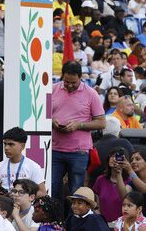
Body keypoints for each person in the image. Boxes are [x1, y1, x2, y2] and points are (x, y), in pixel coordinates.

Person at [50, 62, 106, 204]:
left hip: (79, 151)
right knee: (52, 188)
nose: (69, 85)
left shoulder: (91, 94)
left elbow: (101, 122)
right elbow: (42, 115)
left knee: (76, 191)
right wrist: (51, 121)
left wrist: (78, 125)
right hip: (55, 149)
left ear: (81, 77)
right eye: (66, 81)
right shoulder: (52, 90)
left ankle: (74, 217)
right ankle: (55, 217)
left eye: (73, 82)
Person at [0, 127, 46, 195]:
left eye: (11, 144)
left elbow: (42, 193)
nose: (6, 148)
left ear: (22, 146)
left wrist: (24, 196)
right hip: (5, 201)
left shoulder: (33, 167)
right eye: (5, 144)